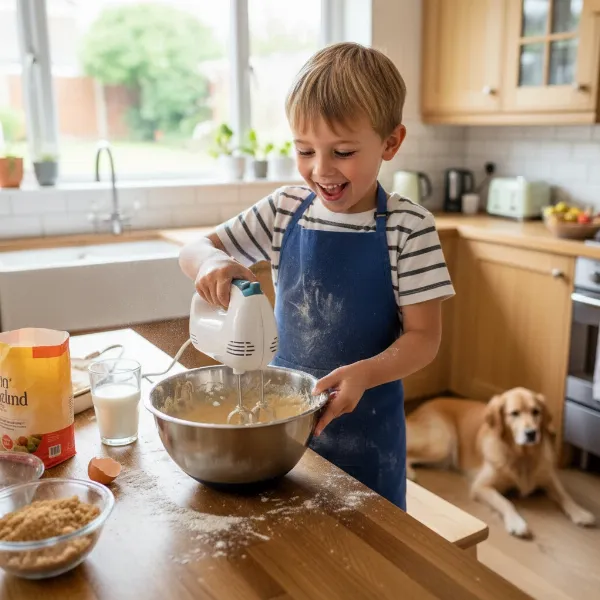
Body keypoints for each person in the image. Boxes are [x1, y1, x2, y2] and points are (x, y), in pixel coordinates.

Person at [179, 42, 455, 509]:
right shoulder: (285, 209)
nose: (320, 170)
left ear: (391, 142)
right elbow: (195, 247)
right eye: (304, 150)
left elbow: (425, 338)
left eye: (343, 151)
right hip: (281, 430)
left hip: (369, 441)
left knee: (370, 554)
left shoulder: (409, 228)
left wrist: (367, 373)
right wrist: (210, 264)